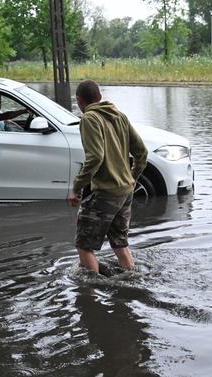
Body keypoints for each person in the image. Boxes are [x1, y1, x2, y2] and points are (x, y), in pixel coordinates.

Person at [67, 80, 147, 275]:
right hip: (126, 191)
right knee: (120, 244)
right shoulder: (120, 116)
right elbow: (142, 153)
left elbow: (95, 157)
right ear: (100, 97)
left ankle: (89, 296)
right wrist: (132, 176)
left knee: (84, 247)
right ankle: (131, 283)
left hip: (105, 193)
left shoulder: (89, 119)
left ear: (79, 100)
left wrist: (76, 188)